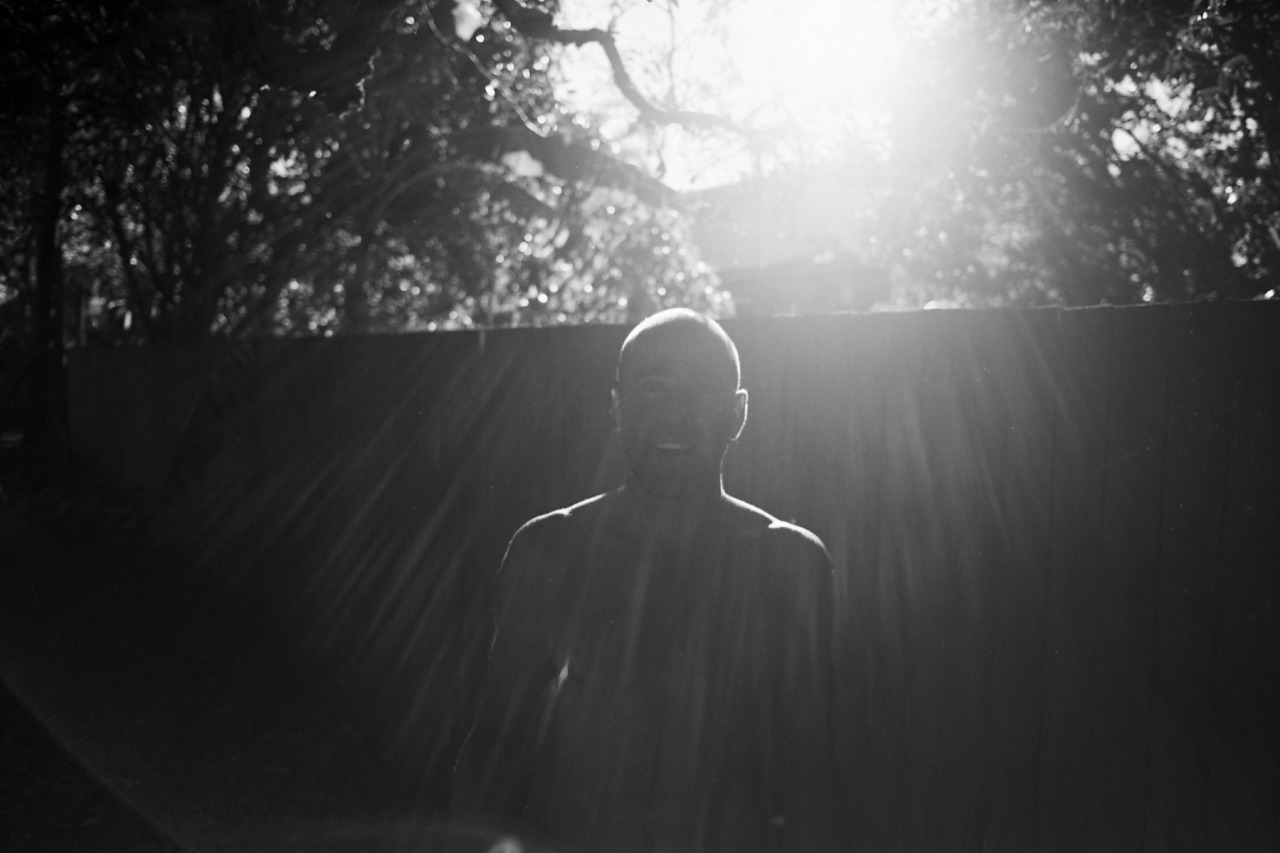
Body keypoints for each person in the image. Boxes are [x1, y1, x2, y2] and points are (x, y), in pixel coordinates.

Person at [450, 309, 848, 852]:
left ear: (737, 413)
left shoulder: (787, 562)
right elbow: (498, 743)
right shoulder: (551, 549)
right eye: (653, 387)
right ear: (617, 406)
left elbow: (809, 767)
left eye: (702, 389)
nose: (675, 415)